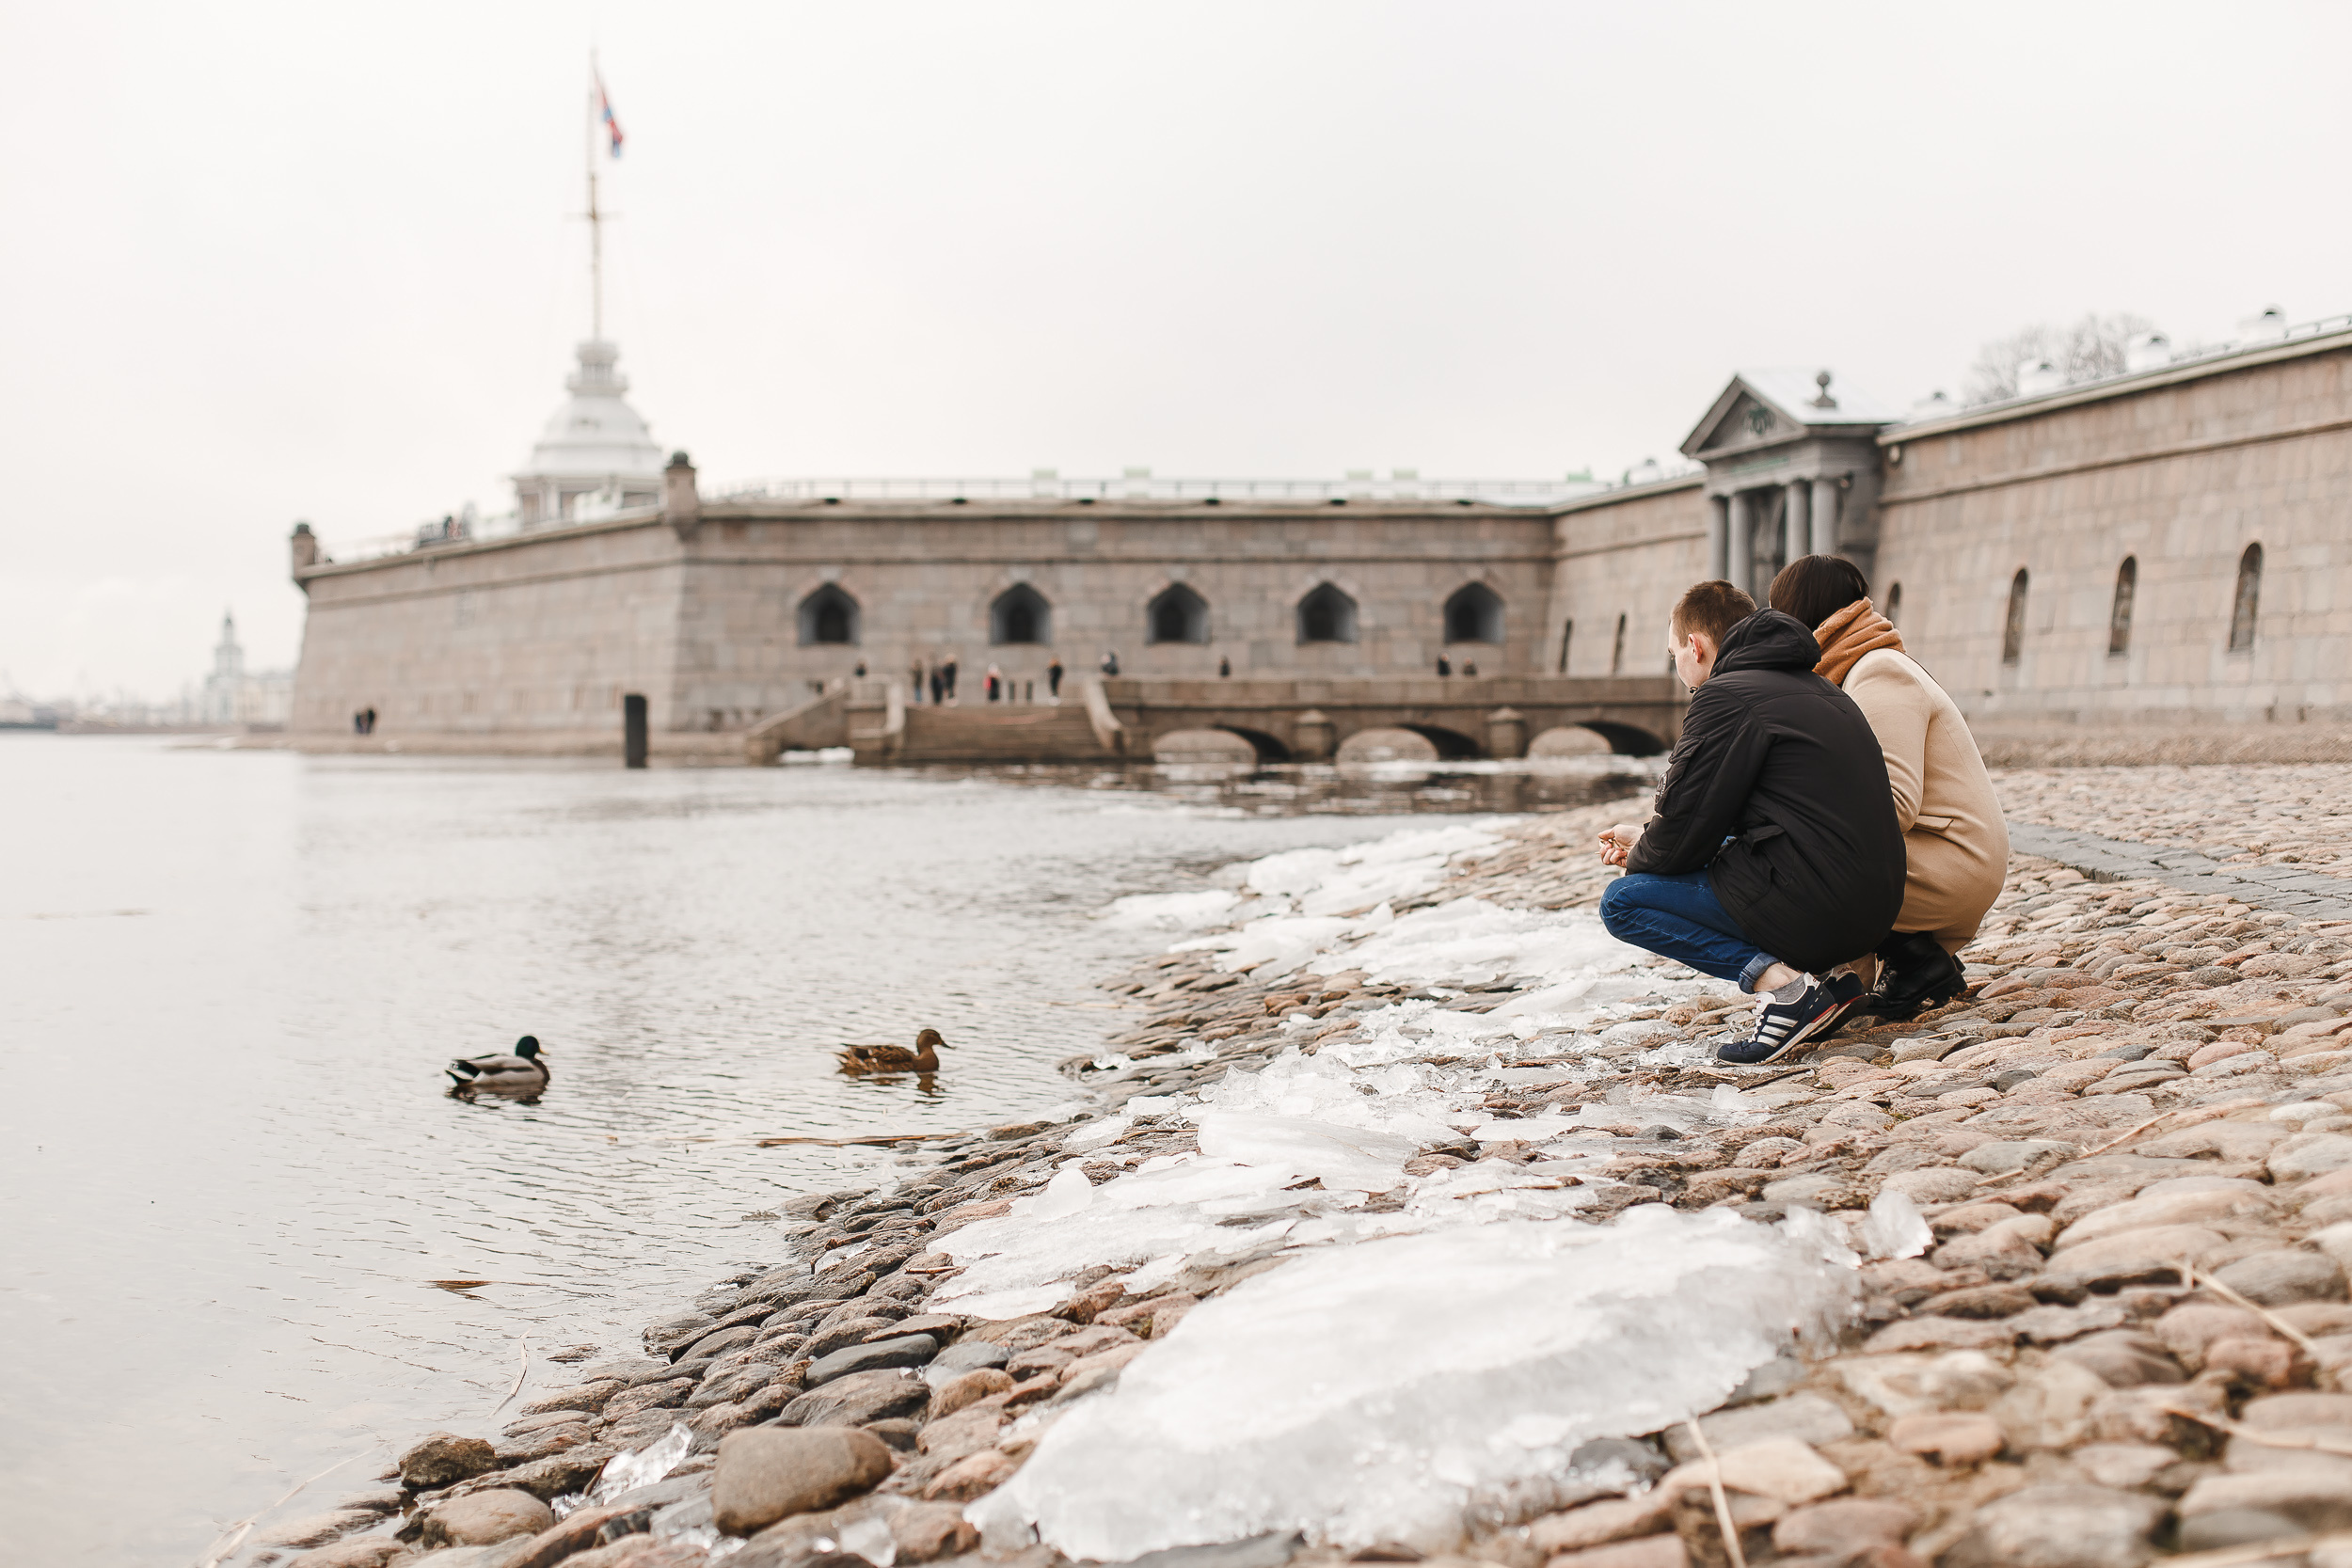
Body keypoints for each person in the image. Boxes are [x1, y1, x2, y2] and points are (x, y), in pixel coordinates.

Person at [1596, 580, 1907, 1063]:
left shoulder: (1724, 697)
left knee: (1623, 902)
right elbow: (1736, 817)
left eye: (1673, 652)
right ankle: (1830, 985)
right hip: (1874, 914)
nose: (1676, 664)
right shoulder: (1817, 686)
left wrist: (1641, 855)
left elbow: (1682, 830)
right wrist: (1647, 838)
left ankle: (1787, 993)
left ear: (1694, 647)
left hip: (1822, 908)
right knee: (1676, 869)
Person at [1768, 555, 2009, 1019]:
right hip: (1944, 852)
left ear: (1797, 616)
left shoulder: (1877, 672)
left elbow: (1895, 804)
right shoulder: (1861, 667)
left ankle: (1914, 960)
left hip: (1955, 861)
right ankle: (1917, 961)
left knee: (1789, 858)